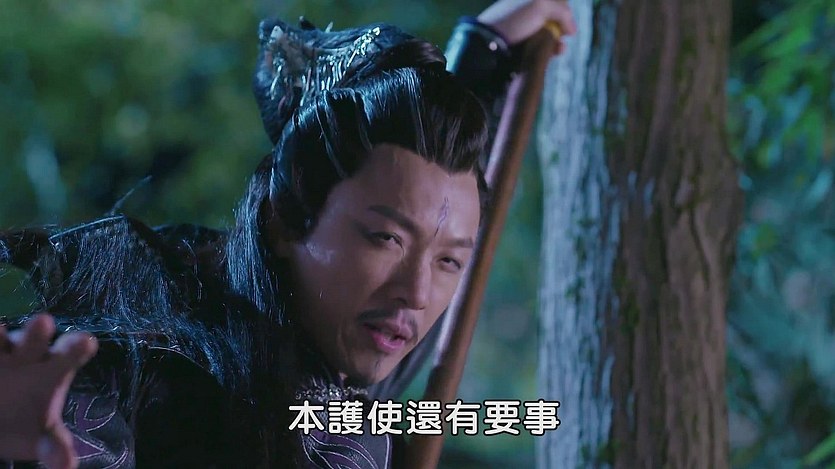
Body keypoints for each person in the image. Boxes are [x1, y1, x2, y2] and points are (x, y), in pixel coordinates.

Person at [0, 1, 575, 467]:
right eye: (385, 239)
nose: (417, 294)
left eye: (449, 261)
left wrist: (484, 52)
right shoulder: (137, 376)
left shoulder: (339, 382)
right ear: (282, 220)